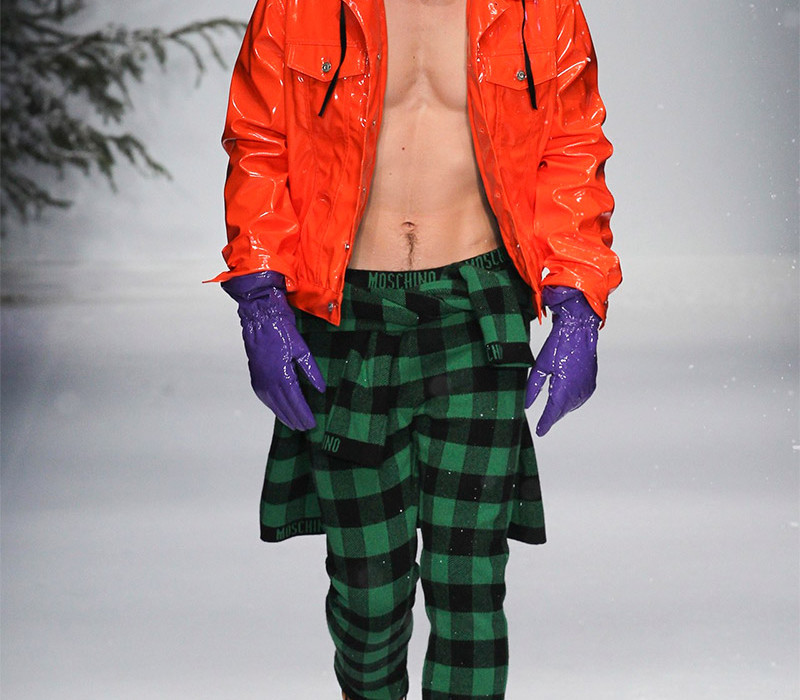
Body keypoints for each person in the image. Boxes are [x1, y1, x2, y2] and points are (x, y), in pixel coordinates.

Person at [211, 0, 621, 698]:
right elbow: (258, 142)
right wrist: (260, 300)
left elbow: (572, 147)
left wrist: (578, 301)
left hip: (478, 306)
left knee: (470, 581)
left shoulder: (541, 9)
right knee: (367, 591)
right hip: (345, 309)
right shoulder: (298, 6)